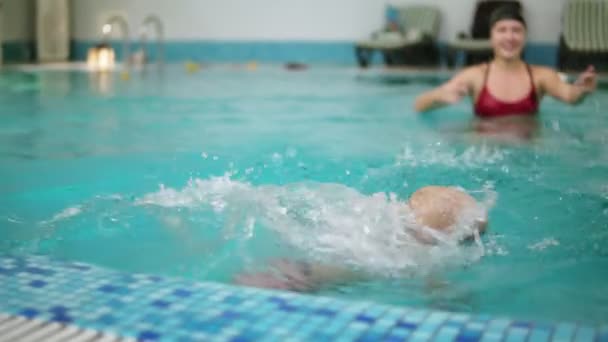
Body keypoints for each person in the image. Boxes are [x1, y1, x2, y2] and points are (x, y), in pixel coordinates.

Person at [234, 185, 488, 292]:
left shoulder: (380, 218)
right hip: (319, 269)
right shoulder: (426, 259)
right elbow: (442, 296)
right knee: (324, 271)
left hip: (326, 248)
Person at [414, 6, 597, 120]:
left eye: (516, 30)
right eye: (502, 30)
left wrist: (581, 90)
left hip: (527, 155)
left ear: (525, 36)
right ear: (491, 37)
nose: (509, 37)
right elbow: (419, 105)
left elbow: (570, 96)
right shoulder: (475, 76)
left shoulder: (541, 76)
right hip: (483, 155)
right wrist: (439, 96)